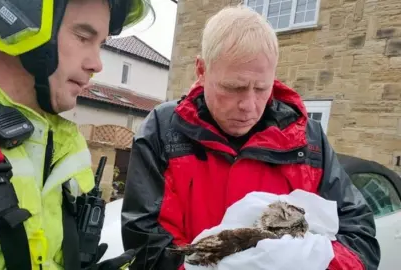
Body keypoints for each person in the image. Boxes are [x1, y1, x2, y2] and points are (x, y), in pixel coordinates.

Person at [121, 5, 380, 270]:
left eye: (261, 88)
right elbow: (145, 244)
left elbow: (360, 240)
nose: (249, 105)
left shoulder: (308, 139)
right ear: (201, 69)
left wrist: (308, 260)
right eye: (233, 88)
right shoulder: (163, 131)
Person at [0, 0, 154, 269]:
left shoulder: (63, 142)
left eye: (100, 44)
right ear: (13, 17)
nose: (96, 64)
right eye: (82, 37)